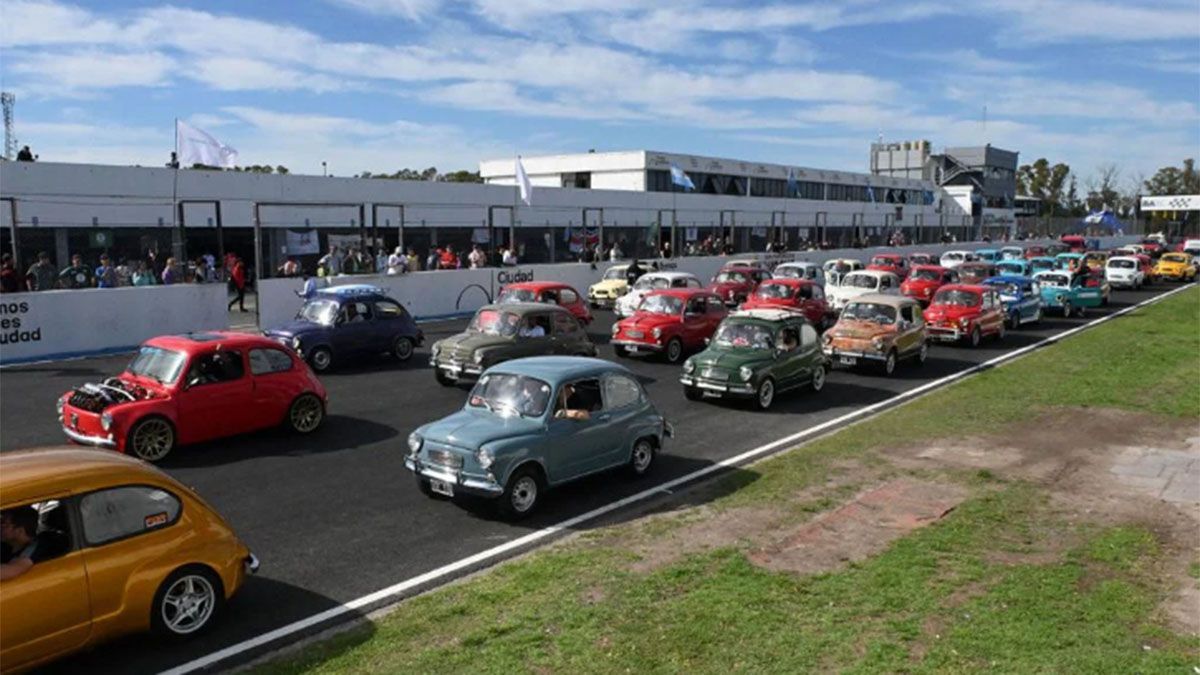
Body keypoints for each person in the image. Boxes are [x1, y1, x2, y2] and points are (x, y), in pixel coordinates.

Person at [1, 506, 46, 580]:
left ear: (20, 530)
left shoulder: (32, 550)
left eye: (3, 523)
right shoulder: (8, 545)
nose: (0, 527)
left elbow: (11, 570)